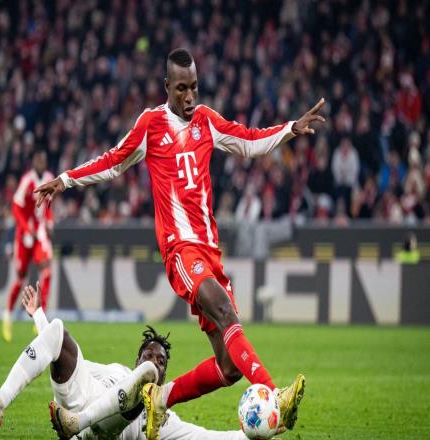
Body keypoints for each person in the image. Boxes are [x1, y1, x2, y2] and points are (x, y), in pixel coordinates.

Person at [35, 48, 326, 439]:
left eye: (194, 88)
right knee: (225, 312)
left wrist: (291, 127)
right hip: (181, 250)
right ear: (167, 86)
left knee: (228, 367)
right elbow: (113, 161)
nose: (190, 97)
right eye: (182, 89)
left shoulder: (207, 120)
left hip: (209, 251)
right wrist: (66, 179)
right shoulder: (151, 124)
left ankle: (161, 399)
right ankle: (275, 395)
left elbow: (249, 141)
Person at [0, 283, 252, 439]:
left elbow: (206, 436)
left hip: (98, 433)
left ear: (165, 375)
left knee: (147, 380)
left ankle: (77, 423)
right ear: (135, 360)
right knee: (57, 329)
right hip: (75, 405)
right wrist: (39, 315)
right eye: (148, 356)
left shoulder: (161, 419)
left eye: (161, 362)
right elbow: (53, 350)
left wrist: (251, 435)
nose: (154, 362)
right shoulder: (115, 371)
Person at [2, 148, 54, 342]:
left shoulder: (49, 178)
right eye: (38, 159)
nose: (41, 163)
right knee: (21, 277)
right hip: (24, 236)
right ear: (33, 162)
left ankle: (41, 315)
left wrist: (50, 221)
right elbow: (16, 207)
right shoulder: (27, 181)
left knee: (47, 269)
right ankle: (8, 314)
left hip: (39, 233)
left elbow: (48, 205)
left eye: (43, 160)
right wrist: (25, 227)